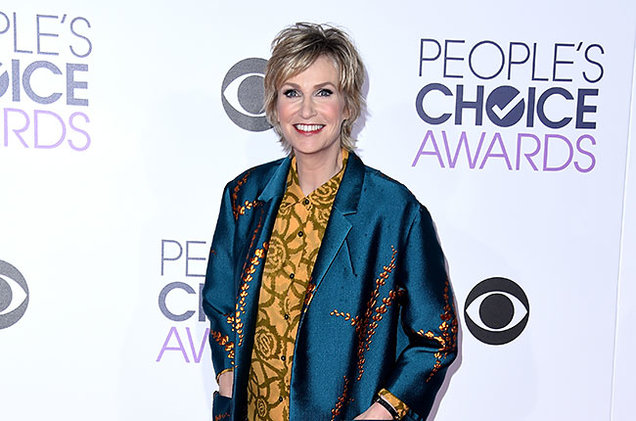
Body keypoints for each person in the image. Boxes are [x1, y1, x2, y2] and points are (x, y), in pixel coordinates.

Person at [203, 22, 457, 421]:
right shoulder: (244, 196)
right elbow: (220, 304)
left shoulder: (393, 210)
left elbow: (435, 338)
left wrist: (383, 412)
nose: (306, 110)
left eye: (324, 92)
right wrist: (228, 375)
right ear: (274, 105)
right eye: (292, 93)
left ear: (348, 106)